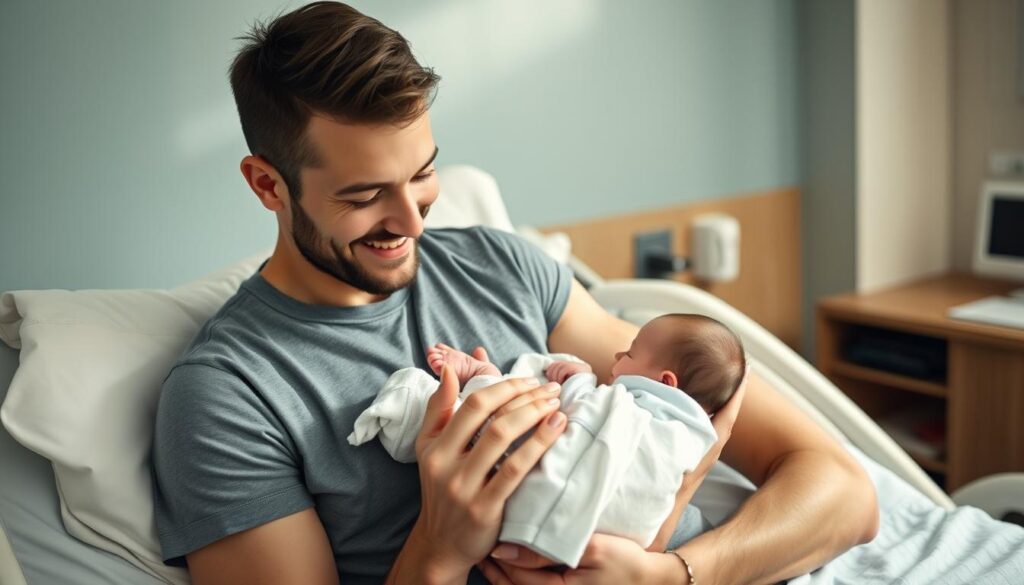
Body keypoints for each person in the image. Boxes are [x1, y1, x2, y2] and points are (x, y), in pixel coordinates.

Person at [150, 2, 879, 584]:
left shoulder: (501, 266)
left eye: (423, 174)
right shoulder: (229, 396)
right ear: (267, 184)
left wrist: (669, 573)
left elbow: (845, 491)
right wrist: (439, 545)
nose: (411, 221)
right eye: (367, 195)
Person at [348, 314, 745, 567]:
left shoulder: (635, 413)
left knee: (519, 417)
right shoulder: (692, 432)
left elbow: (583, 411)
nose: (617, 356)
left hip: (651, 555)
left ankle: (479, 378)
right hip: (626, 550)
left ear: (665, 383)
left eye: (630, 353)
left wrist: (578, 377)